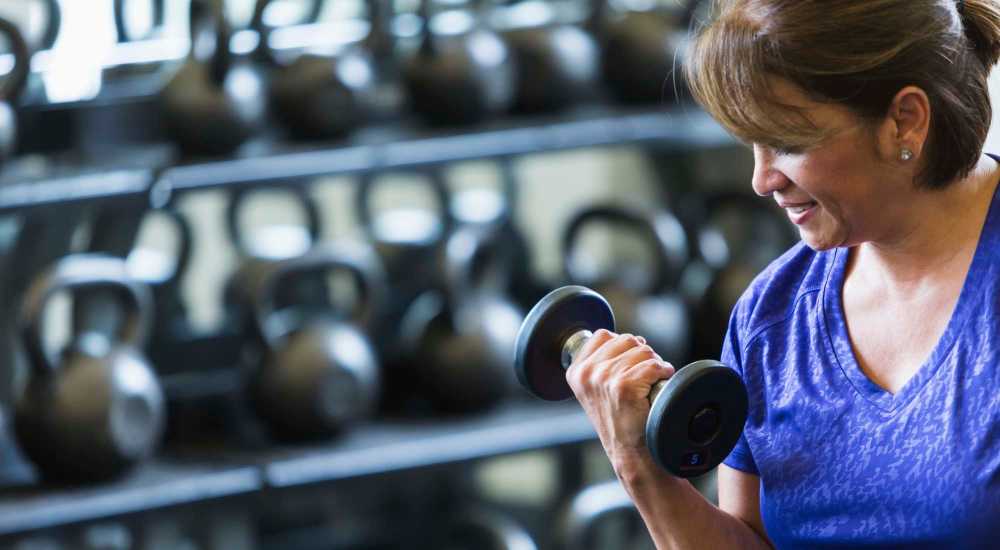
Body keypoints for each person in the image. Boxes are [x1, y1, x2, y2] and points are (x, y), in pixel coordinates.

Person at [566, 0, 1000, 548]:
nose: (761, 179)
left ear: (904, 120)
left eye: (788, 142)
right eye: (751, 141)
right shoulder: (769, 319)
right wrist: (639, 467)